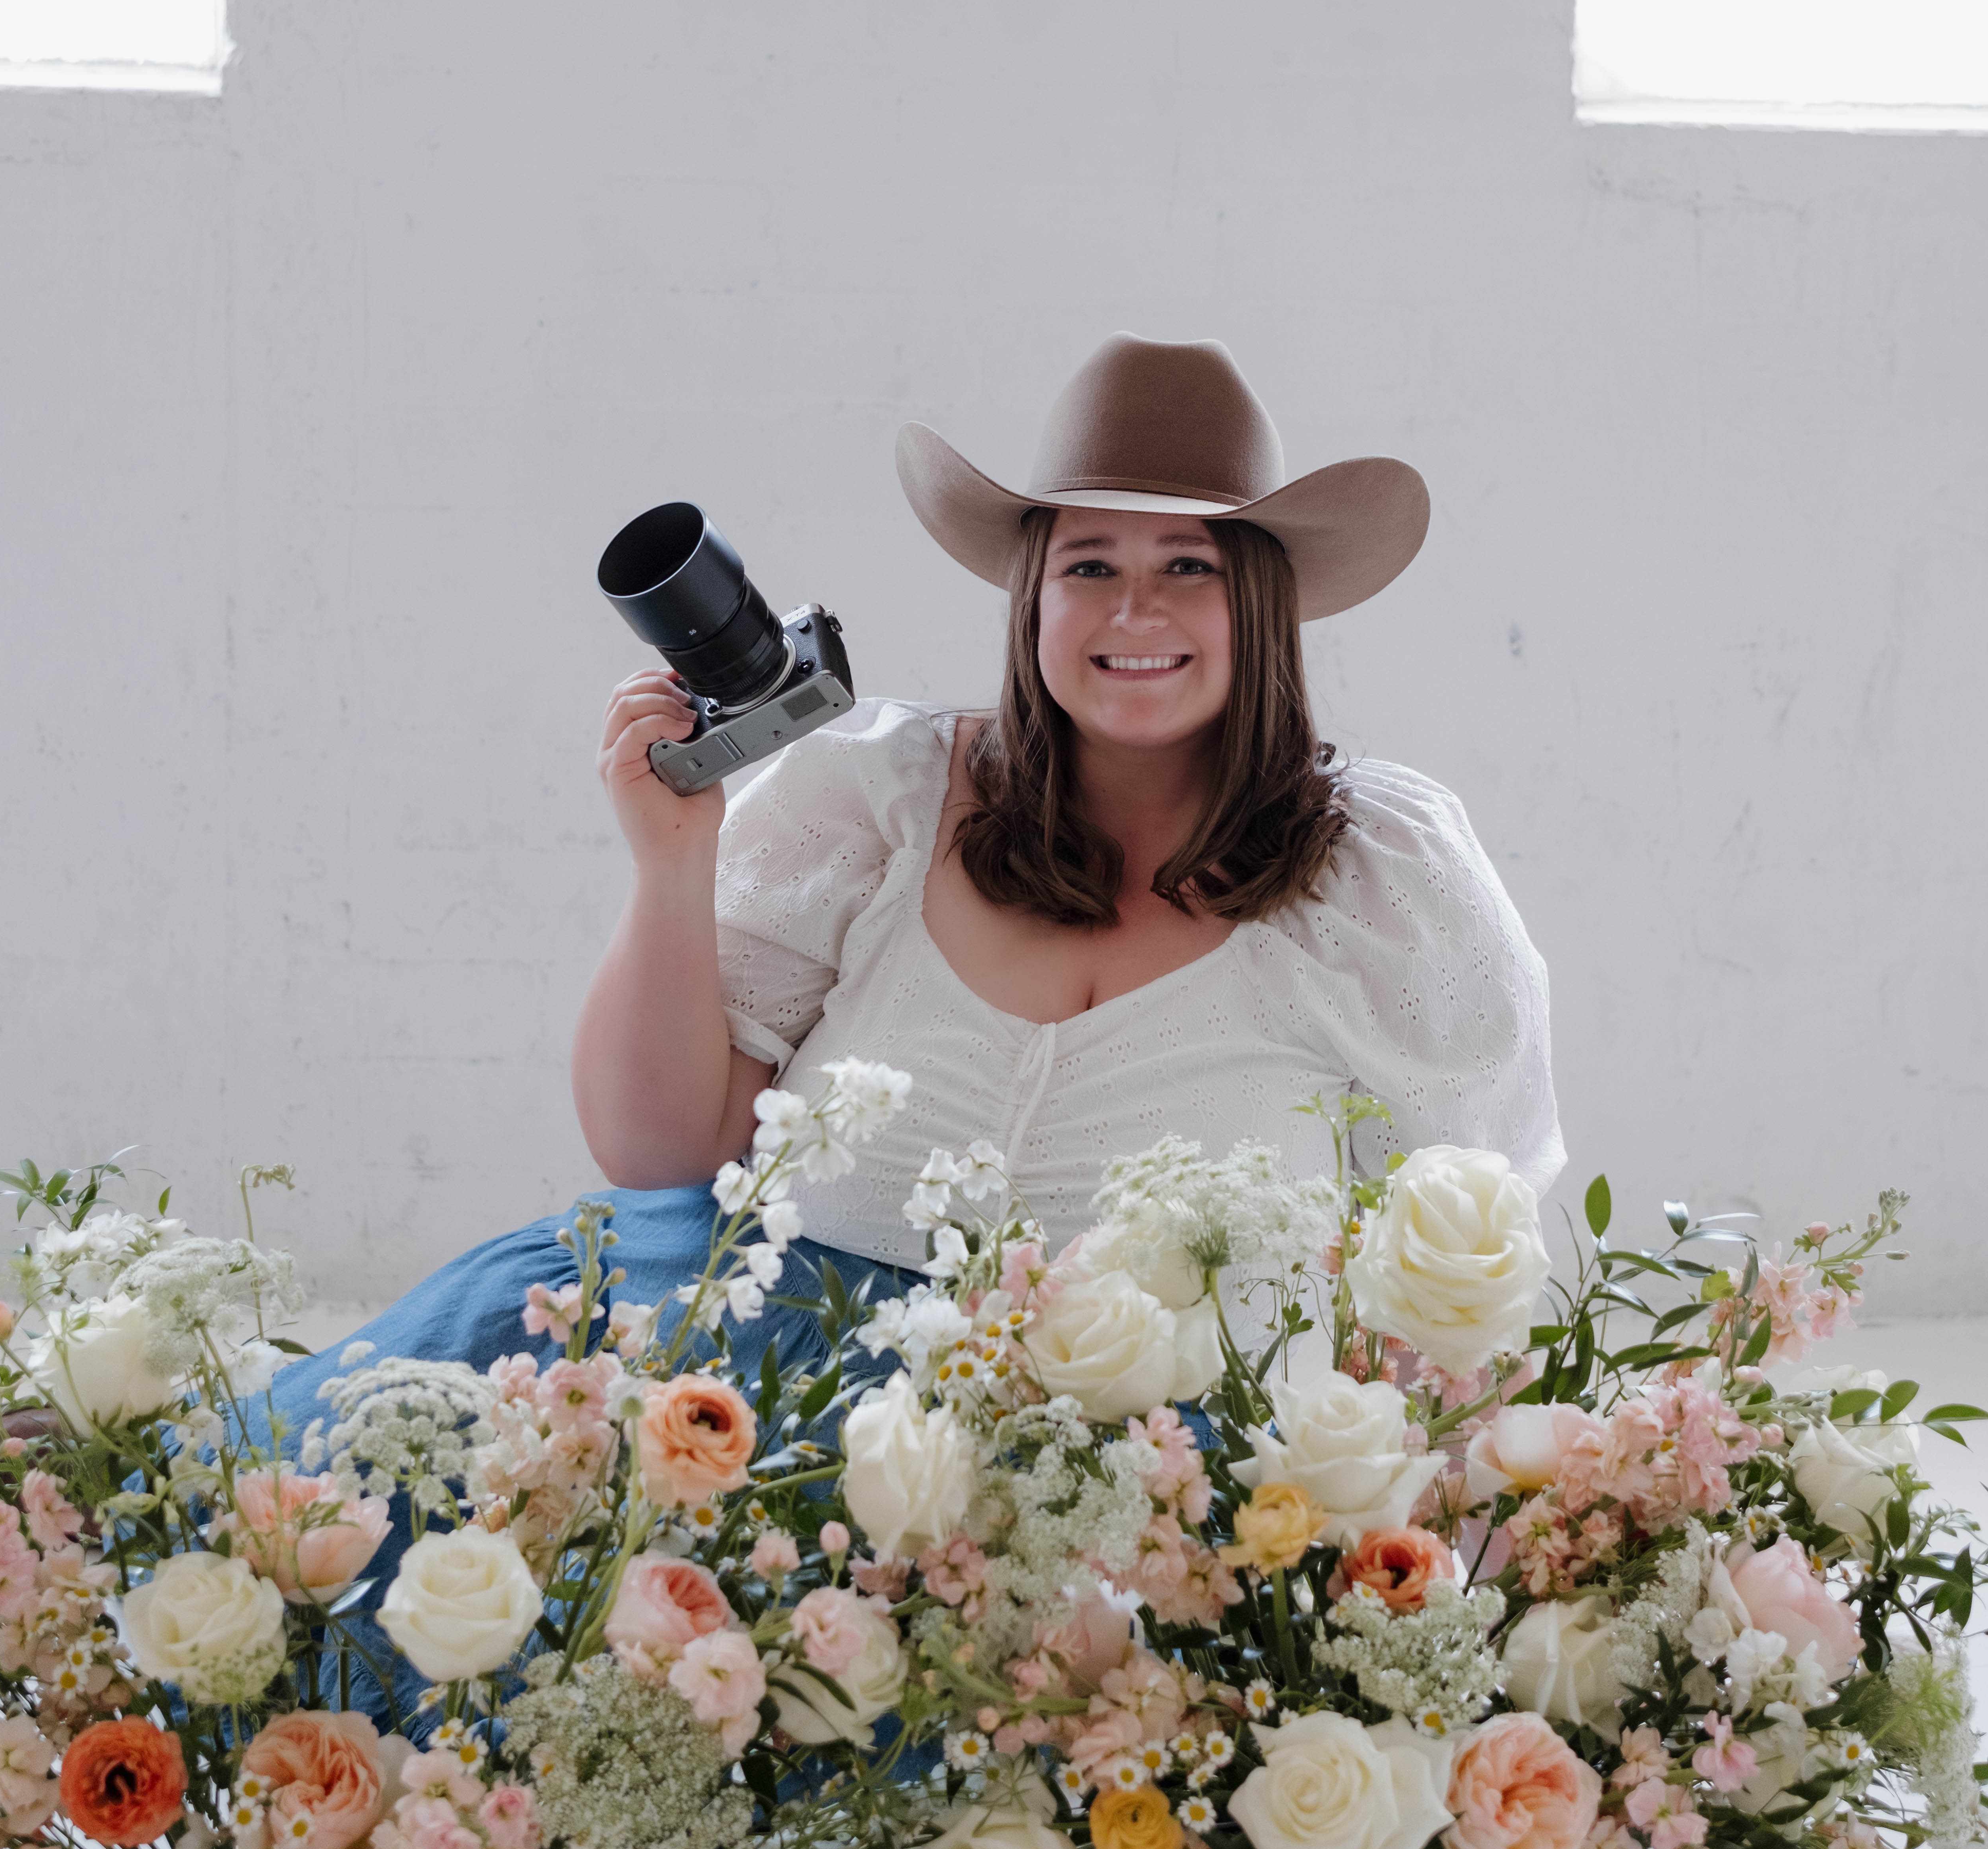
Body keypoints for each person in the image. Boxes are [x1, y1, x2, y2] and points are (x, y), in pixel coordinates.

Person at [263, 333, 1561, 1465]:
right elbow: (661, 1161)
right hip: (749, 1421)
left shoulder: (1383, 875)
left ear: (1261, 603)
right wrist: (672, 861)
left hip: (1142, 1488)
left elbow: (1465, 1277)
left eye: (1192, 567)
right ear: (1032, 596)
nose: (1136, 611)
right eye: (1091, 566)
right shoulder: (881, 795)